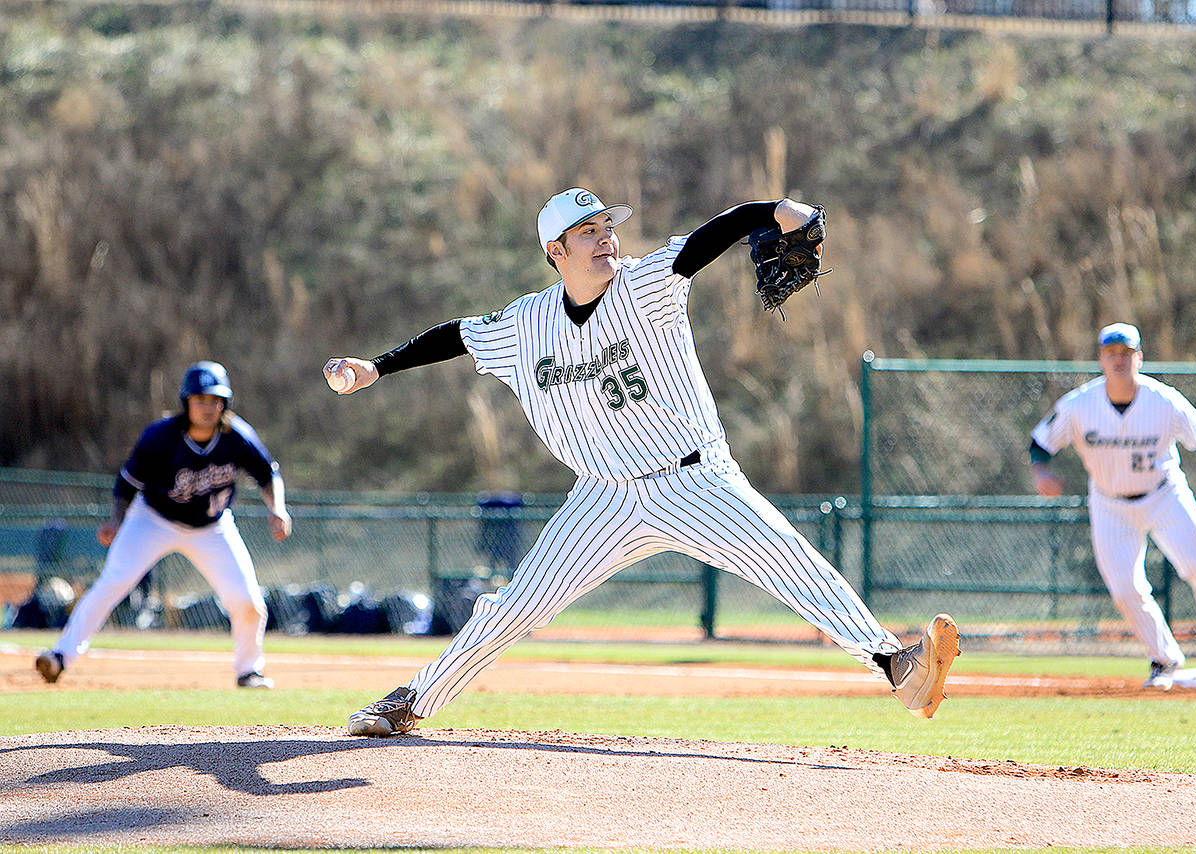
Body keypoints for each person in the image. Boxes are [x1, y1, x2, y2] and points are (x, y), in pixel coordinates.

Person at [325, 187, 961, 736]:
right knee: (519, 604)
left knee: (788, 561)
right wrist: (374, 367)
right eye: (587, 234)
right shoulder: (526, 323)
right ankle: (413, 699)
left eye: (608, 229)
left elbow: (709, 239)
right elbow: (456, 335)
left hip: (692, 478)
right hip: (602, 496)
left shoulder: (648, 285)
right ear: (556, 252)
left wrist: (774, 211)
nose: (606, 241)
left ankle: (896, 666)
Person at [1030, 323, 1196, 691]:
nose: (1118, 360)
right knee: (1125, 588)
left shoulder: (1163, 400)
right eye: (1111, 354)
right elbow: (1040, 443)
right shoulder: (1080, 405)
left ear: (1139, 358)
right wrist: (1040, 473)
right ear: (1100, 359)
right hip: (1110, 503)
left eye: (1126, 353)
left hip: (1165, 494)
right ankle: (1163, 659)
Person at [35, 361, 292, 689]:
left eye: (215, 400)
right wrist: (116, 521)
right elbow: (127, 483)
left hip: (212, 528)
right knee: (114, 582)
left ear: (224, 404)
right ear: (186, 402)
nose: (208, 407)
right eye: (200, 399)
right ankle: (60, 657)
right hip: (153, 520)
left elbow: (269, 475)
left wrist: (278, 509)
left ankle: (248, 671)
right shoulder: (161, 437)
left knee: (248, 601)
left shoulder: (237, 436)